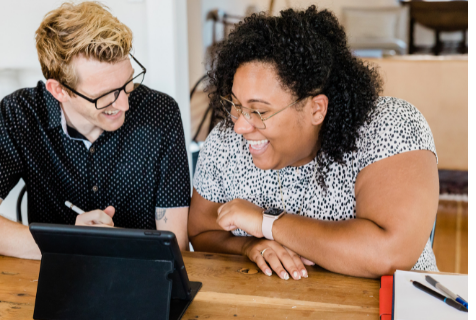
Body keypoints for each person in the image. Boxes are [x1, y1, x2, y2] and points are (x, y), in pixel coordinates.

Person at [188, 6, 439, 280]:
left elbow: (389, 255)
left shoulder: (389, 128)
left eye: (259, 111)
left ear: (316, 109)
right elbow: (201, 232)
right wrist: (250, 245)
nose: (239, 125)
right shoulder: (227, 141)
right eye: (236, 104)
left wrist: (266, 221)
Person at [0, 2, 191, 259]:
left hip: (141, 277)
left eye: (128, 84)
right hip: (54, 281)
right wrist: (71, 243)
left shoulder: (161, 113)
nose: (124, 104)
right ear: (59, 91)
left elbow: (175, 247)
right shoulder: (21, 114)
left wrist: (99, 245)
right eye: (105, 96)